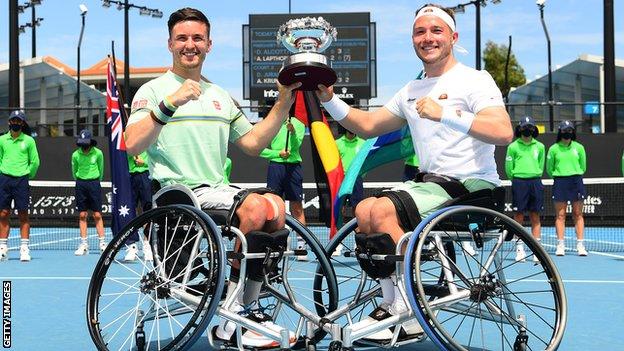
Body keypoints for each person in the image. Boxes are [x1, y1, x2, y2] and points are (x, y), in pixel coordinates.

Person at [315, 3, 513, 341]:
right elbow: (367, 126)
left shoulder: (474, 79)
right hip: (431, 188)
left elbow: (503, 131)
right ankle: (394, 304)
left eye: (436, 31)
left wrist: (446, 114)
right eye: (420, 32)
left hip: (474, 188)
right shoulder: (411, 90)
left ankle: (408, 313)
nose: (428, 38)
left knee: (385, 207)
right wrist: (329, 99)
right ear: (413, 39)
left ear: (453, 36)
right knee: (365, 208)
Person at [124, 8, 300, 348]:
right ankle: (237, 318)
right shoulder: (152, 91)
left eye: (197, 39)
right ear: (170, 44)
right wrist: (169, 104)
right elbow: (133, 144)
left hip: (217, 191)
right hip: (178, 194)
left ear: (209, 44)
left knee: (277, 206)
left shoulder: (220, 95)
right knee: (255, 210)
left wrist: (282, 101)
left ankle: (238, 312)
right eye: (182, 39)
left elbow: (252, 143)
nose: (190, 45)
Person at [0, 110, 40, 262]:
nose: (16, 123)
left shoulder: (29, 141)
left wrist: (27, 174)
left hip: (21, 180)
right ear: (9, 122)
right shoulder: (2, 140)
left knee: (23, 213)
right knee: (3, 213)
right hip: (5, 179)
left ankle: (24, 249)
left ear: (23, 123)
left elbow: (35, 161)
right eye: (13, 121)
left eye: (19, 121)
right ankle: (3, 248)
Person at [505, 116, 545, 262]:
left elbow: (540, 165)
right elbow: (509, 168)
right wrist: (516, 179)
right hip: (519, 182)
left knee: (535, 216)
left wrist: (534, 174)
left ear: (534, 129)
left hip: (535, 181)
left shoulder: (540, 146)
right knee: (519, 216)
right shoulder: (513, 146)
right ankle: (520, 249)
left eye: (530, 127)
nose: (527, 130)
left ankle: (537, 252)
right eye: (525, 127)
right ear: (520, 129)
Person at [546, 120, 587, 256]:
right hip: (560, 182)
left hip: (576, 181)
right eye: (565, 130)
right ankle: (560, 245)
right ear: (560, 132)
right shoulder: (553, 149)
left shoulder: (579, 147)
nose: (567, 133)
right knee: (561, 215)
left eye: (569, 130)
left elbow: (583, 166)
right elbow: (549, 168)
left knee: (577, 214)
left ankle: (580, 245)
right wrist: (560, 176)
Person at [260, 117, 306, 225]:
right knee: (274, 206)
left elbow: (296, 146)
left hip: (293, 167)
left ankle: (301, 242)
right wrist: (277, 154)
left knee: (297, 208)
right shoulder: (270, 122)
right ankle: (277, 240)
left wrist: (293, 132)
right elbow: (259, 149)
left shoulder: (299, 123)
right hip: (276, 167)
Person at [72, 129, 107, 255]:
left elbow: (101, 170)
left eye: (86, 143)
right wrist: (80, 180)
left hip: (94, 184)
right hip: (81, 184)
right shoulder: (75, 155)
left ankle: (103, 244)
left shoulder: (98, 153)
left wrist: (95, 181)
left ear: (90, 142)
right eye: (82, 143)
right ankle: (84, 244)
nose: (84, 145)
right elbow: (74, 171)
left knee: (97, 215)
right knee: (82, 215)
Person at [124, 151, 153, 261]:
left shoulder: (148, 139)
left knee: (148, 211)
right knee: (131, 212)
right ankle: (132, 246)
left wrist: (144, 162)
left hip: (146, 175)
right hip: (130, 176)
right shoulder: (127, 139)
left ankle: (147, 246)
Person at [335, 127, 365, 209]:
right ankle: (340, 222)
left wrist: (361, 174)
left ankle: (356, 222)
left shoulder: (363, 143)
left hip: (356, 178)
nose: (351, 128)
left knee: (357, 207)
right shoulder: (337, 143)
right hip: (342, 179)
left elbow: (366, 162)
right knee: (340, 207)